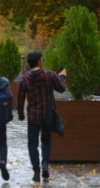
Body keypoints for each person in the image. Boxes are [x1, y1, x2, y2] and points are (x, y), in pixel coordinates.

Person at [17, 51, 66, 182]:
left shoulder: (25, 78)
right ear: (39, 61)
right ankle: (45, 164)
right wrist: (62, 77)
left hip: (33, 116)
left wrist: (21, 114)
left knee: (32, 144)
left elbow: (20, 99)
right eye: (41, 59)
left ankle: (36, 172)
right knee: (46, 140)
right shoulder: (49, 74)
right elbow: (61, 88)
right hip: (47, 114)